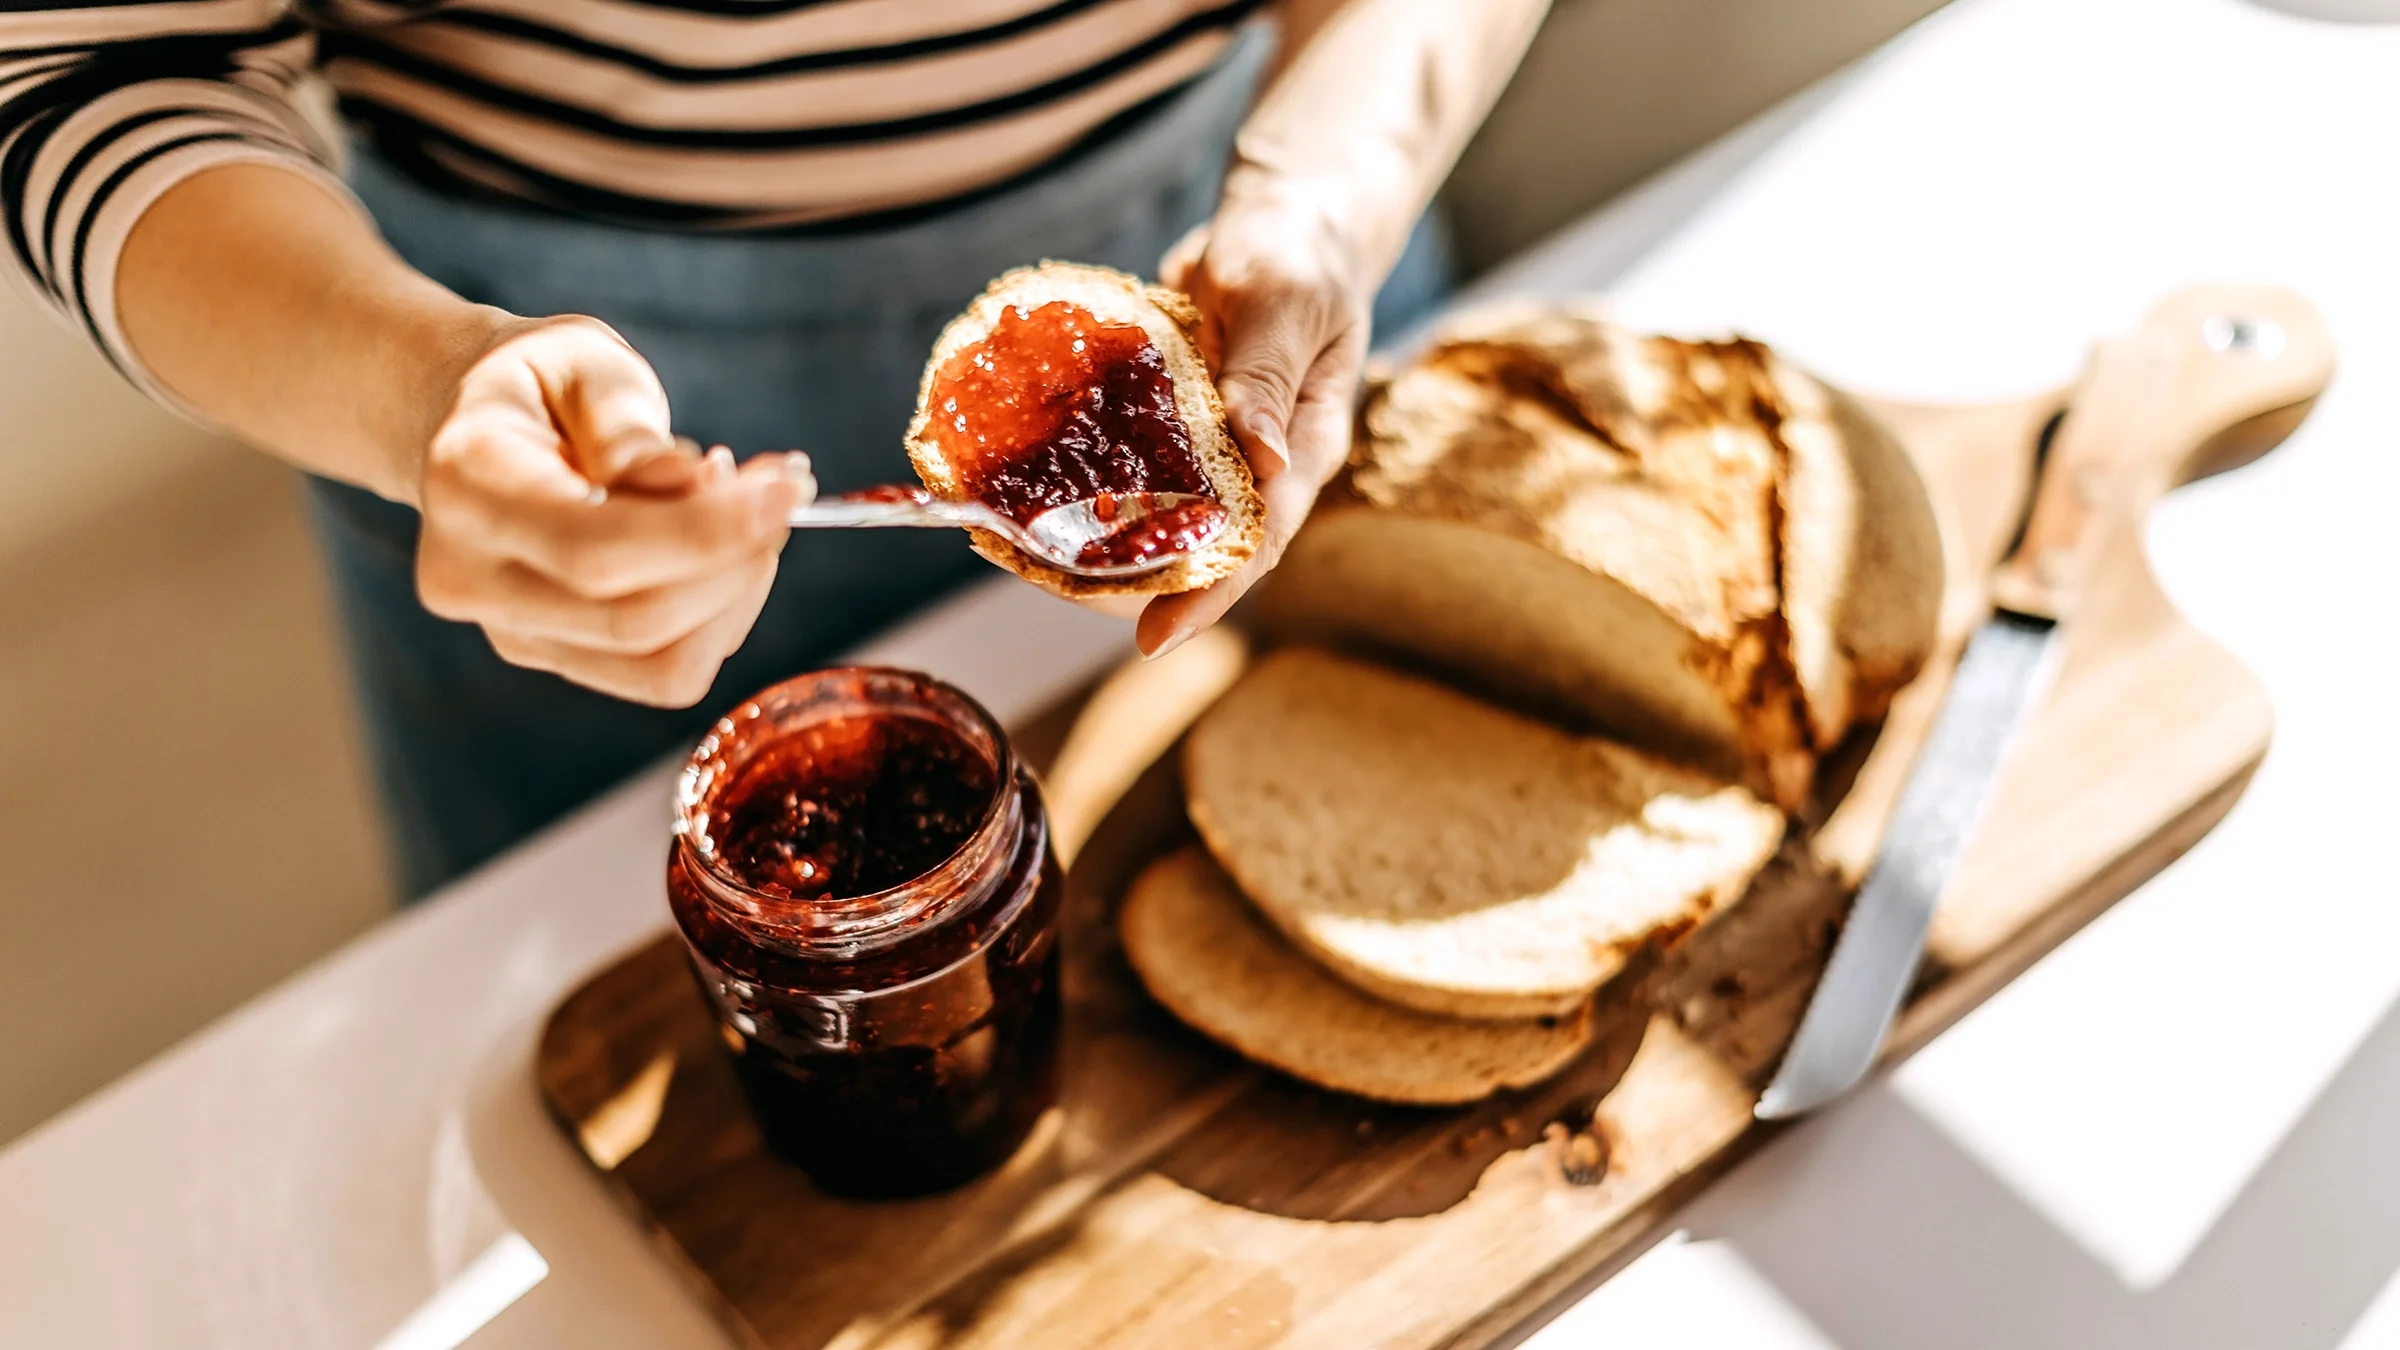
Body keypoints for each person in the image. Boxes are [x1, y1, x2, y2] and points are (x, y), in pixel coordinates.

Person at [0, 0, 1550, 895]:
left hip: (1253, 283)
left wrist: (1329, 190)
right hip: (535, 418)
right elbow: (101, 69)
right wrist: (424, 388)